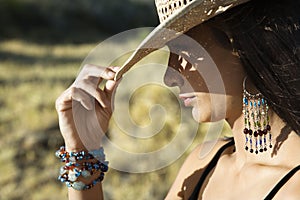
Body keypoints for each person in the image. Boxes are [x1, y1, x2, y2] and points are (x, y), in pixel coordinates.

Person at [55, 0, 300, 199]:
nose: (169, 78)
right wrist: (82, 150)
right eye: (170, 55)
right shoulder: (204, 164)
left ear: (243, 49)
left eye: (185, 52)